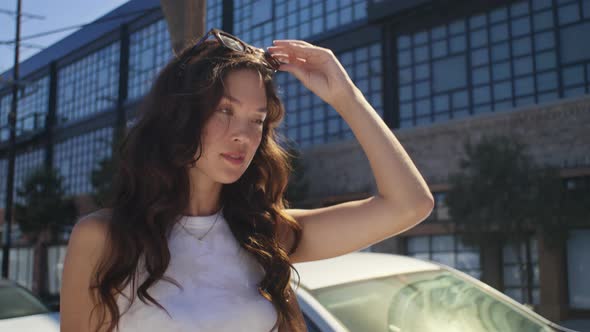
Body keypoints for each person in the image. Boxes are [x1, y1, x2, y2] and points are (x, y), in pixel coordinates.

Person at [59, 28, 434, 332]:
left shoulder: (264, 234)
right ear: (179, 116)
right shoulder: (104, 238)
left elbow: (409, 205)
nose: (244, 135)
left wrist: (346, 96)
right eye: (225, 110)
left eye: (256, 120)